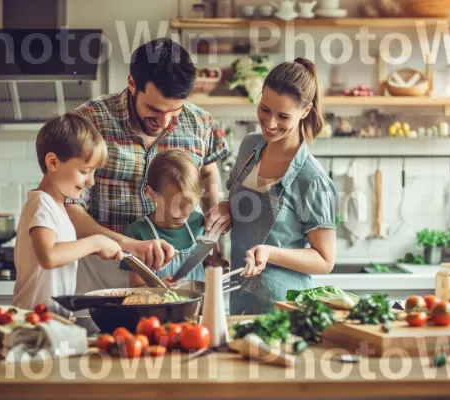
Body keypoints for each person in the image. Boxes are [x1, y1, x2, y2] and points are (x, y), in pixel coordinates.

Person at [65, 38, 232, 294]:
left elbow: (208, 171)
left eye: (174, 112)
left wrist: (213, 229)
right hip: (106, 269)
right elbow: (70, 207)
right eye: (154, 109)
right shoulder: (90, 121)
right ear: (132, 83)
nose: (164, 122)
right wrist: (132, 245)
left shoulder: (200, 122)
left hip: (175, 269)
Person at [226, 58, 337, 315]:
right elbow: (239, 208)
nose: (270, 123)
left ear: (306, 111)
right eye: (265, 109)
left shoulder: (312, 179)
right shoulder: (249, 147)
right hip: (239, 297)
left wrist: (270, 253)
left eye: (283, 116)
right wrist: (223, 209)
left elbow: (325, 260)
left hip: (283, 305)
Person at [13, 113, 123, 317]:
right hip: (33, 321)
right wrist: (97, 242)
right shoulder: (41, 203)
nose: (91, 182)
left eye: (93, 173)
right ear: (53, 162)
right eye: (84, 171)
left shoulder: (59, 208)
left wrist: (97, 249)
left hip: (51, 319)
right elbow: (49, 256)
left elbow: (62, 253)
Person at [119, 149, 227, 287]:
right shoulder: (138, 234)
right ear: (152, 194)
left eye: (191, 204)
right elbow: (137, 288)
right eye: (176, 204)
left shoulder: (199, 224)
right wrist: (159, 288)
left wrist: (220, 268)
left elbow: (215, 266)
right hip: (159, 307)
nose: (184, 213)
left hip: (202, 307)